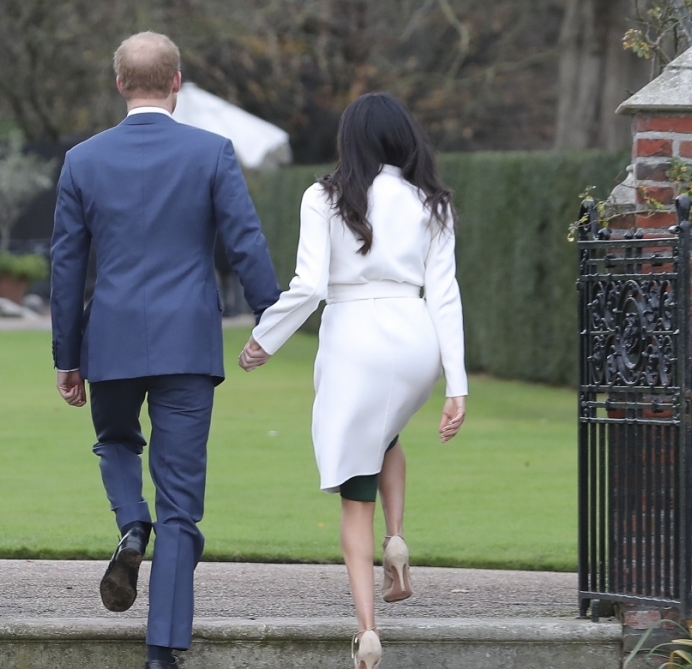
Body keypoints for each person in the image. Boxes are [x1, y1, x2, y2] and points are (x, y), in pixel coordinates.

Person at [50, 32, 282, 669]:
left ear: (120, 83)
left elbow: (66, 266)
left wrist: (67, 357)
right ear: (176, 81)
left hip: (111, 339)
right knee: (181, 505)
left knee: (116, 441)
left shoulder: (82, 160)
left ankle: (131, 522)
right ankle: (161, 653)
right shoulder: (211, 152)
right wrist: (270, 318)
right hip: (188, 344)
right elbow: (246, 241)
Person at [238, 92, 468, 669]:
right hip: (415, 339)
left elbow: (309, 286)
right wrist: (456, 384)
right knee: (384, 434)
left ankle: (367, 630)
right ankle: (398, 539)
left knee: (353, 491)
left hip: (354, 340)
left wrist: (265, 338)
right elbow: (445, 294)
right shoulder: (432, 201)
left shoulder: (324, 196)